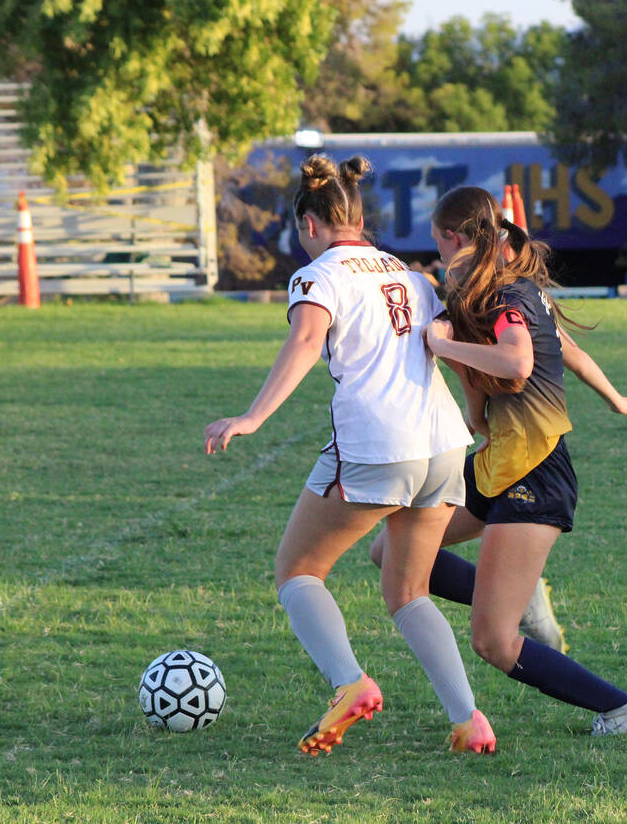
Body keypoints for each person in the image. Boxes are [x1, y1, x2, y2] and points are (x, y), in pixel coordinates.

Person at [204, 155, 495, 755]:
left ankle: (349, 683)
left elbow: (308, 340)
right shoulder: (408, 274)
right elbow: (452, 348)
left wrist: (252, 416)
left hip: (378, 445)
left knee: (297, 571)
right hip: (442, 444)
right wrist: (478, 418)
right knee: (408, 591)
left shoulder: (319, 274)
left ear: (309, 224)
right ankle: (469, 719)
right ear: (359, 217)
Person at [374, 185, 627, 737]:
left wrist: (442, 345)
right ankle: (515, 591)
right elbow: (565, 351)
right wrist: (617, 398)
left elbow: (519, 363)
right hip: (499, 459)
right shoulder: (502, 288)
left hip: (537, 471)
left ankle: (626, 710)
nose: (438, 257)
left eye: (438, 244)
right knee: (391, 551)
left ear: (455, 238)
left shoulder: (504, 296)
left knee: (494, 642)